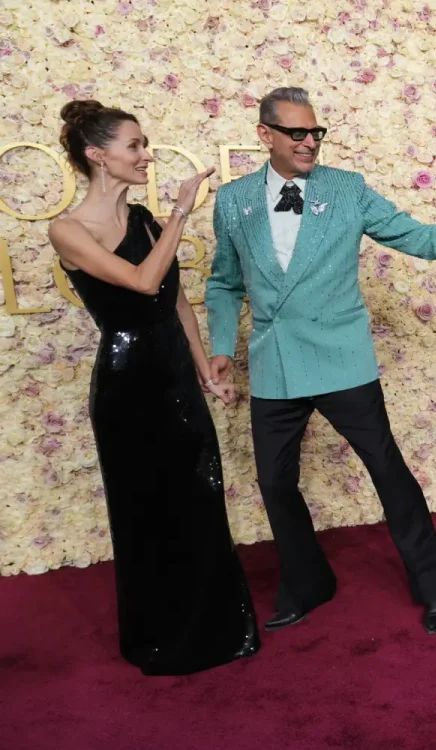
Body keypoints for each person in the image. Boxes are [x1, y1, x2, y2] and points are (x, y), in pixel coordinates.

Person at [205, 87, 436, 634]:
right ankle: (308, 582)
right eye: (297, 133)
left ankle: (434, 584)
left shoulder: (346, 189)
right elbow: (222, 283)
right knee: (275, 482)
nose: (310, 142)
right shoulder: (234, 201)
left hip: (342, 359)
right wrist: (220, 348)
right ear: (265, 135)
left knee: (388, 471)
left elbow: (413, 234)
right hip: (276, 363)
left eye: (316, 133)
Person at [47, 100, 259, 675]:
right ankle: (160, 638)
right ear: (98, 155)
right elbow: (143, 283)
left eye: (145, 144)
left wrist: (204, 369)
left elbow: (175, 300)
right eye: (134, 145)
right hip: (126, 388)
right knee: (146, 513)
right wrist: (182, 214)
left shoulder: (141, 218)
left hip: (173, 378)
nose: (146, 155)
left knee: (199, 498)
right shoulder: (66, 229)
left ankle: (215, 630)